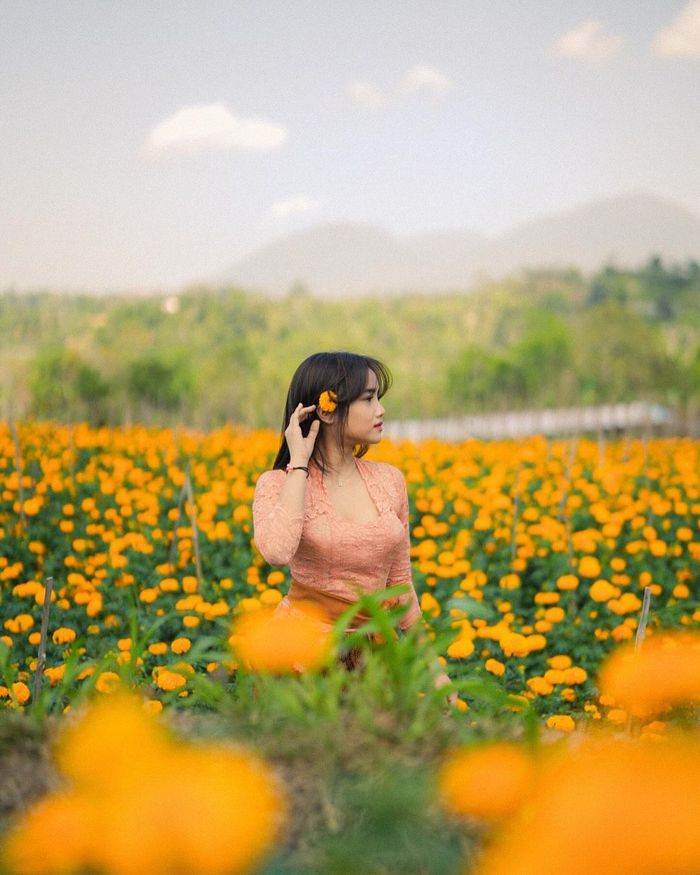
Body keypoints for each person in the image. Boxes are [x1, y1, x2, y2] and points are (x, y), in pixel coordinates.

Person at [252, 351, 456, 704]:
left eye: (378, 398)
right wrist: (298, 463)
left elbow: (400, 589)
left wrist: (438, 676)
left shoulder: (390, 481)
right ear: (328, 409)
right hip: (300, 660)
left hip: (372, 660)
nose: (380, 410)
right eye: (368, 398)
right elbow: (276, 552)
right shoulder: (276, 484)